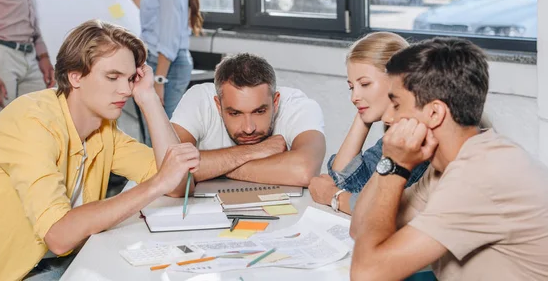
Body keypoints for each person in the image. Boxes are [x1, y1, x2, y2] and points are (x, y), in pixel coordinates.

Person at [0, 20, 200, 281]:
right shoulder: (32, 122)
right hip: (5, 273)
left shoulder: (103, 129)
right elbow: (59, 236)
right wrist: (156, 183)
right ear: (75, 76)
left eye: (130, 79)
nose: (125, 90)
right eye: (112, 77)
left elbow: (179, 184)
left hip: (57, 261)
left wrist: (148, 97)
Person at [349, 38, 548, 281]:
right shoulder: (446, 166)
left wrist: (396, 166)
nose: (388, 117)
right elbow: (360, 228)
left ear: (434, 113)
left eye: (396, 104)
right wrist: (389, 162)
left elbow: (366, 274)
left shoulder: (479, 176)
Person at [308, 32, 428, 214]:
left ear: (399, 80)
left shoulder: (420, 132)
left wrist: (332, 195)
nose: (353, 97)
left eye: (364, 84)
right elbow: (354, 183)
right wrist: (363, 115)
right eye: (351, 87)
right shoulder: (396, 130)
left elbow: (381, 209)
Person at [171, 53, 325, 186]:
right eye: (235, 113)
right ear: (218, 105)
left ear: (275, 101)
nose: (249, 128)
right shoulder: (199, 99)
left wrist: (214, 168)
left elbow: (304, 170)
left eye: (259, 111)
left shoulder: (299, 106)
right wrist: (253, 151)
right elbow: (169, 168)